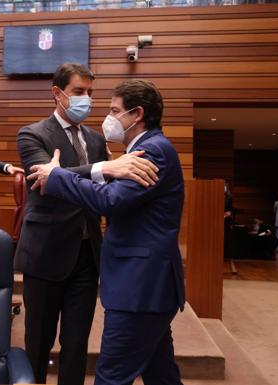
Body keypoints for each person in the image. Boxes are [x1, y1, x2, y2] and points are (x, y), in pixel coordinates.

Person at [27, 78, 185, 385]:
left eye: (115, 110)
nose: (108, 118)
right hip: (147, 285)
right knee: (160, 374)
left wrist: (58, 175)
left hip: (139, 287)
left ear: (136, 114)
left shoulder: (151, 152)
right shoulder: (140, 150)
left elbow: (111, 201)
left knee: (112, 377)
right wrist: (104, 170)